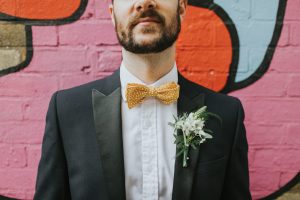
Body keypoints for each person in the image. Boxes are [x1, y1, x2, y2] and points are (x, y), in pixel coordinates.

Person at [33, 0, 252, 199]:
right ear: (112, 14)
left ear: (182, 8)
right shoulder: (67, 112)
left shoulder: (227, 115)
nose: (145, 3)